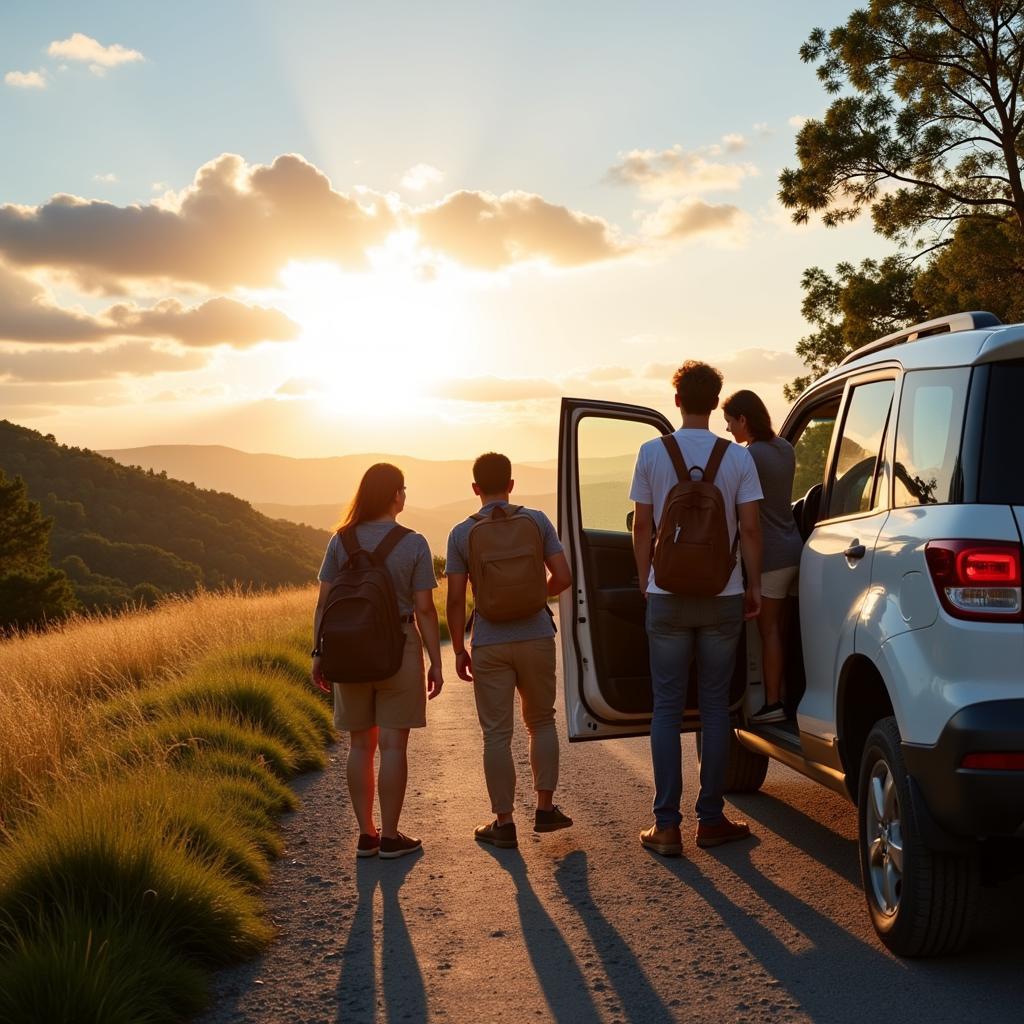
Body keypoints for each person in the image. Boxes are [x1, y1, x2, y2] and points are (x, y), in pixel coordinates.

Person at [630, 361, 763, 857]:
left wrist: (647, 580)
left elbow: (642, 527)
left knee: (666, 708)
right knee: (713, 708)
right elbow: (750, 529)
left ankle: (666, 825)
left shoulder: (651, 452)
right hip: (722, 595)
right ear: (715, 402)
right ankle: (711, 819)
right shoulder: (737, 458)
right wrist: (751, 585)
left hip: (665, 596)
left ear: (677, 399)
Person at [312, 463, 444, 860]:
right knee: (393, 746)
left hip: (347, 651)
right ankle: (391, 836)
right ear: (395, 496)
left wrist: (318, 654)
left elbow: (323, 605)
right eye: (402, 489)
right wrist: (435, 661)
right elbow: (424, 610)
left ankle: (366, 836)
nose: (404, 495)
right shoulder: (414, 542)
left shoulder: (341, 541)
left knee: (359, 745)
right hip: (398, 649)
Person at [446, 452, 574, 850]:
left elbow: (453, 600)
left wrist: (458, 650)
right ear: (512, 484)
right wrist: (537, 596)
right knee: (542, 722)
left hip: (489, 641)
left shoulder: (461, 533)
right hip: (535, 635)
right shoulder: (536, 520)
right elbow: (564, 577)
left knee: (497, 735)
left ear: (475, 489)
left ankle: (503, 823)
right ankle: (546, 808)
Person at [723, 389, 803, 724]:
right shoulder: (785, 448)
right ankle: (793, 695)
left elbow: (746, 517)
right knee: (786, 630)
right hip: (794, 549)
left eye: (729, 422)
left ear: (743, 419)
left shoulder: (748, 456)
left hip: (769, 557)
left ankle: (773, 703)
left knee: (768, 631)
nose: (728, 430)